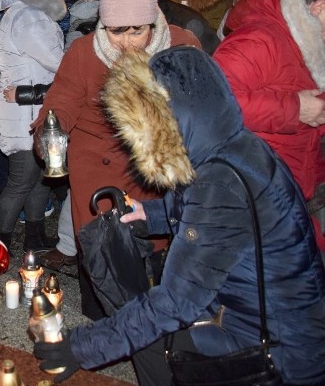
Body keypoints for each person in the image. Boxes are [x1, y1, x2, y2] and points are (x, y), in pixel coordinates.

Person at [34, 47, 325, 386]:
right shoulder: (236, 147)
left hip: (273, 344)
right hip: (284, 318)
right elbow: (226, 221)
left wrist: (81, 348)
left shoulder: (218, 184)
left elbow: (176, 302)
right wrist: (154, 213)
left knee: (154, 340)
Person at [35, 0, 200, 315]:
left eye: (135, 31)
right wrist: (49, 131)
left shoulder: (182, 46)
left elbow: (204, 107)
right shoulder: (84, 52)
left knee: (156, 253)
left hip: (155, 171)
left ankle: (156, 321)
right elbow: (62, 100)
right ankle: (101, 322)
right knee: (103, 253)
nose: (125, 42)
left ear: (153, 23)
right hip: (99, 169)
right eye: (115, 31)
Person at [213, 0, 325, 252]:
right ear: (320, 9)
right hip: (256, 197)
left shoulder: (306, 41)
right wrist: (293, 109)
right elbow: (213, 103)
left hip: (291, 191)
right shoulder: (260, 39)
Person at [0, 0, 66, 253]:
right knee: (21, 181)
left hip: (36, 108)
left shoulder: (30, 12)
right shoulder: (29, 16)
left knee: (40, 180)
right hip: (24, 114)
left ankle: (34, 238)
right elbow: (57, 62)